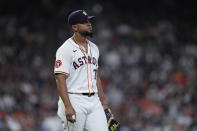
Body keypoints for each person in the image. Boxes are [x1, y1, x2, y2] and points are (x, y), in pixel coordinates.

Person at [54, 10, 119, 131]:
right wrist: (68, 106)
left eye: (89, 21)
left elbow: (96, 77)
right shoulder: (65, 49)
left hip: (94, 101)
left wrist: (104, 104)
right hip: (74, 98)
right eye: (84, 22)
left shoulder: (94, 48)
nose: (89, 24)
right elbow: (60, 78)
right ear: (75, 27)